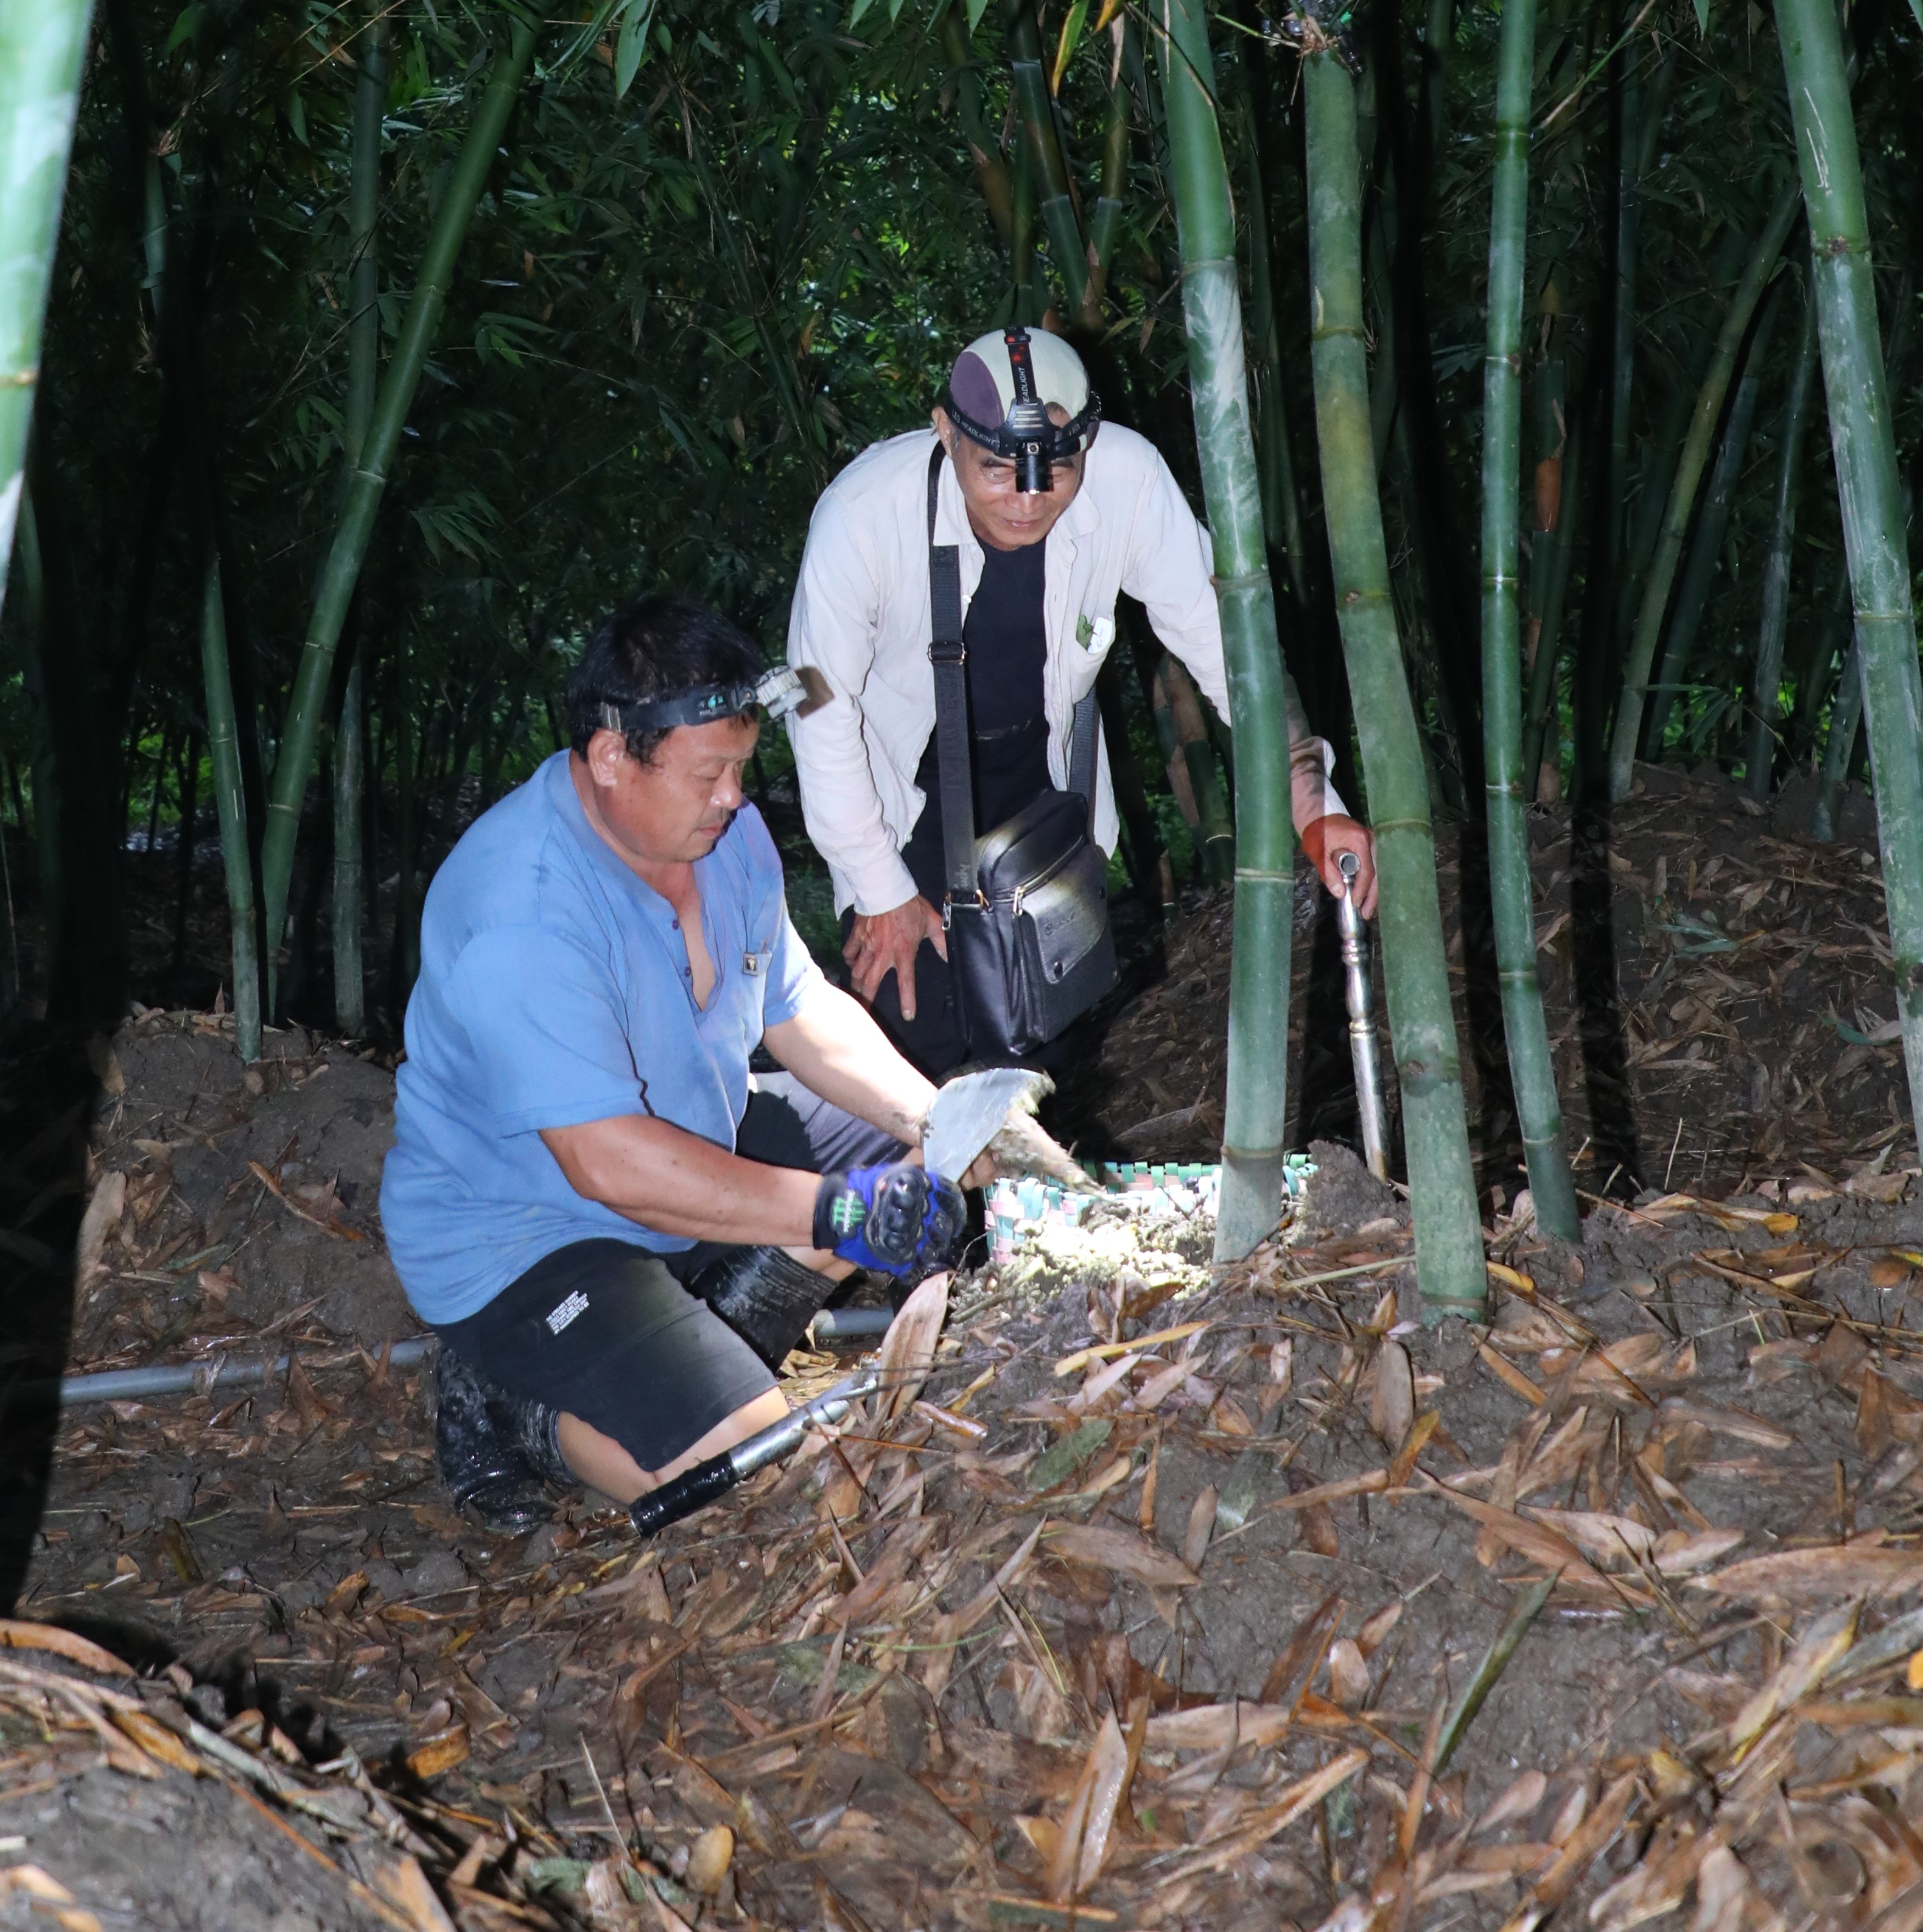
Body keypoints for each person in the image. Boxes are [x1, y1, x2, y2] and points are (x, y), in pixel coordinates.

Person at [381, 594, 969, 1534]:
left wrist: (949, 1122)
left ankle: (716, 1313)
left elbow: (799, 1010)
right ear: (612, 756)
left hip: (694, 1143)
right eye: (711, 774)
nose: (735, 797)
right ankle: (507, 1408)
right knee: (758, 1479)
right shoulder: (521, 909)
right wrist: (833, 1212)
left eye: (742, 767)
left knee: (944, 1158)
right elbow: (609, 1164)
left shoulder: (724, 838)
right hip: (534, 1237)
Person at [785, 321, 1375, 1064]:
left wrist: (1313, 804)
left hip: (1043, 783)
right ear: (944, 431)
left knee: (1046, 1038)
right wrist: (877, 887)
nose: (1028, 500)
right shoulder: (863, 515)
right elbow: (818, 711)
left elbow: (1226, 644)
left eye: (1057, 469)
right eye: (998, 469)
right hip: (899, 796)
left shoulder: (1126, 478)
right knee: (910, 1037)